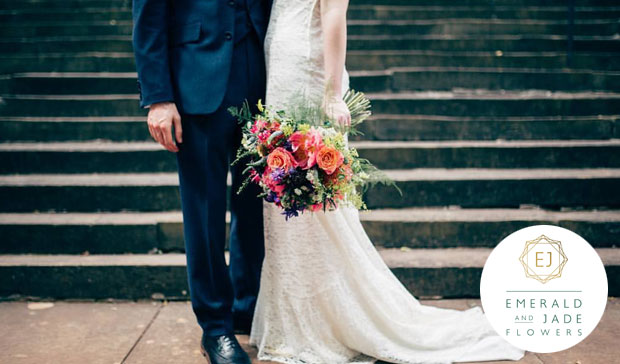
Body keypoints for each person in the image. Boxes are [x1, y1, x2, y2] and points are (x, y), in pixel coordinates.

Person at [249, 0, 527, 363]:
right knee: (289, 211)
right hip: (280, 73)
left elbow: (334, 13)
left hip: (307, 70)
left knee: (316, 208)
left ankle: (326, 322)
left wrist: (332, 94)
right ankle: (292, 320)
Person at [131, 0, 272, 363]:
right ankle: (216, 327)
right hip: (197, 77)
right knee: (204, 211)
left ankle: (246, 305)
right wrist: (159, 97)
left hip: (263, 75)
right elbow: (148, 16)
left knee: (256, 206)